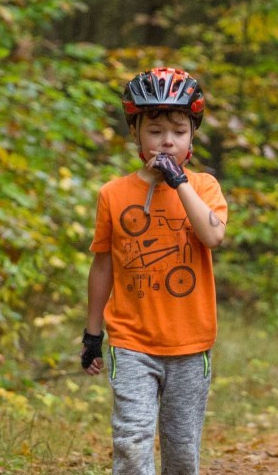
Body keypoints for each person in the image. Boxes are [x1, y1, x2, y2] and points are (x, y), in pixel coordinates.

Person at [81, 67, 230, 475]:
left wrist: (178, 181)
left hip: (190, 342)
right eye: (155, 131)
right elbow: (103, 263)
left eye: (179, 131)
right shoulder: (113, 194)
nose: (167, 140)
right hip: (132, 342)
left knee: (181, 455)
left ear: (192, 137)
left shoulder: (203, 187)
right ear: (135, 134)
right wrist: (93, 333)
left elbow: (213, 237)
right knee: (131, 441)